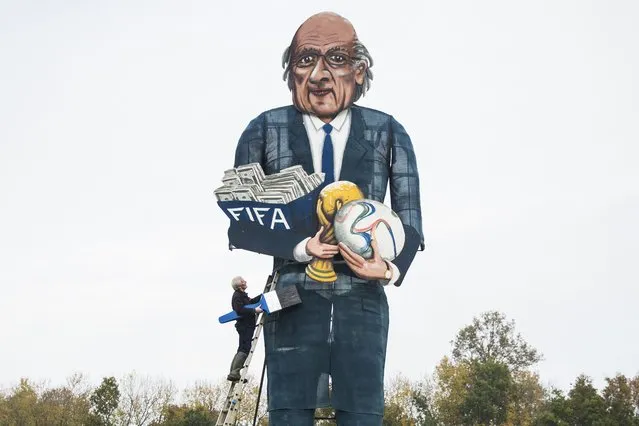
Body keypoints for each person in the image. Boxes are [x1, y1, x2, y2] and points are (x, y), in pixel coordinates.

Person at [231, 12, 424, 425]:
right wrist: (300, 247)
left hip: (363, 302)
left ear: (359, 71)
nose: (319, 75)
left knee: (362, 414)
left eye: (335, 59)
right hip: (292, 300)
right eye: (306, 60)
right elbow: (241, 219)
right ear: (290, 73)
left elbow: (411, 220)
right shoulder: (263, 130)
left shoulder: (389, 133)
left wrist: (387, 267)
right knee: (289, 413)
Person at [227, 276, 263, 382]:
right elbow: (239, 309)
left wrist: (262, 296)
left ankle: (234, 372)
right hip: (245, 325)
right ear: (239, 285)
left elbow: (250, 302)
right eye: (243, 281)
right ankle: (234, 373)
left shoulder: (242, 296)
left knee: (242, 347)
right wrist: (254, 311)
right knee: (244, 348)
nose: (245, 282)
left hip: (247, 325)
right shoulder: (237, 296)